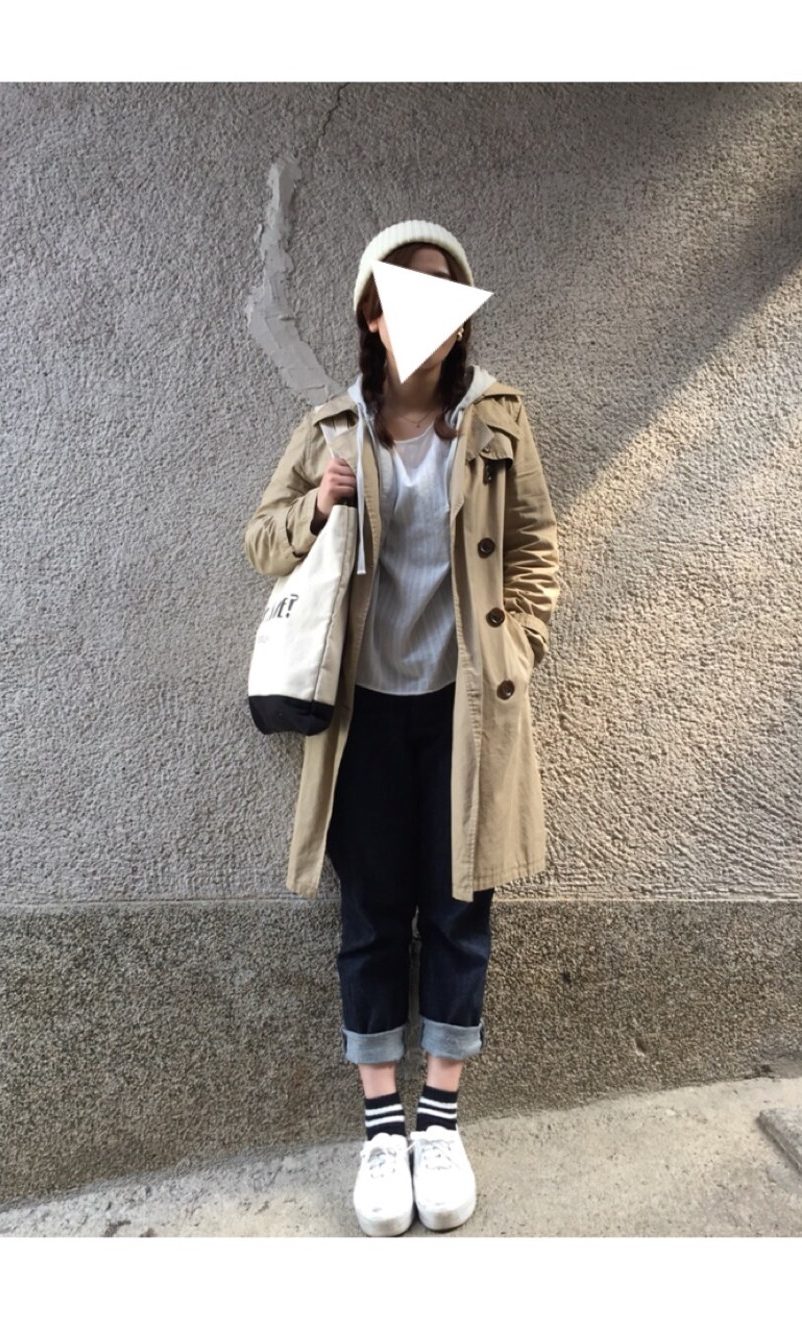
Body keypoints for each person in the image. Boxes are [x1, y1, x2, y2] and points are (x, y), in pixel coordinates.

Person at [243, 221, 560, 1236]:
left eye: (444, 296)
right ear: (372, 317)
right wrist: (314, 508)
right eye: (403, 294)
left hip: (468, 712)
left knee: (460, 911)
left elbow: (535, 548)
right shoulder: (331, 428)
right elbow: (261, 541)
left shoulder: (497, 419)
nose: (424, 314)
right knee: (374, 915)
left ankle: (440, 1123)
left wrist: (516, 649)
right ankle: (382, 1131)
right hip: (363, 716)